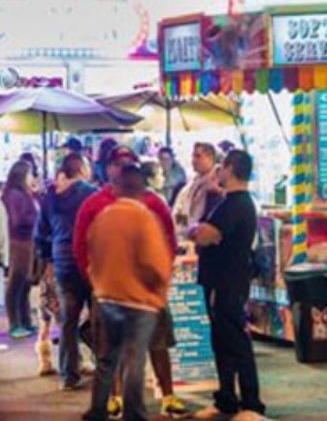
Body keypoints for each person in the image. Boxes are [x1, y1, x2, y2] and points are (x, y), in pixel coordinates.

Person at [74, 145, 184, 420]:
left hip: (108, 296)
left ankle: (100, 409)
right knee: (135, 359)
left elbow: (88, 249)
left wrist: (97, 282)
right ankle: (131, 411)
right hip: (139, 300)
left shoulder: (105, 213)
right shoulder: (143, 214)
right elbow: (160, 256)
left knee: (108, 357)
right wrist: (159, 290)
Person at [194, 149, 265, 420]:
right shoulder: (228, 202)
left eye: (222, 166)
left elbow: (204, 235)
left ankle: (251, 403)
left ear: (231, 169)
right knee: (222, 341)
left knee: (236, 341)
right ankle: (226, 399)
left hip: (228, 283)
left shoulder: (236, 204)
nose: (218, 171)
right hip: (221, 282)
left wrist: (196, 230)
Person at [35, 152, 97, 388]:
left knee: (68, 322)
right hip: (91, 265)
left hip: (63, 265)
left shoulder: (50, 198)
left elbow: (40, 234)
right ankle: (105, 370)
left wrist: (48, 260)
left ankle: (68, 376)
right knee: (97, 319)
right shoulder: (93, 194)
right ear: (81, 169)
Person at [2, 158, 40, 338]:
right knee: (16, 283)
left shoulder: (24, 193)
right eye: (30, 174)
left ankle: (25, 322)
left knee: (25, 284)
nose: (32, 177)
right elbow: (18, 220)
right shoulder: (14, 195)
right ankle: (15, 323)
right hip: (19, 242)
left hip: (27, 241)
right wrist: (35, 219)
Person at [172, 142, 222, 242]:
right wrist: (186, 223)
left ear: (210, 158)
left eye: (198, 156)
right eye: (193, 156)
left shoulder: (218, 182)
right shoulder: (191, 184)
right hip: (185, 237)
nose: (193, 160)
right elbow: (179, 213)